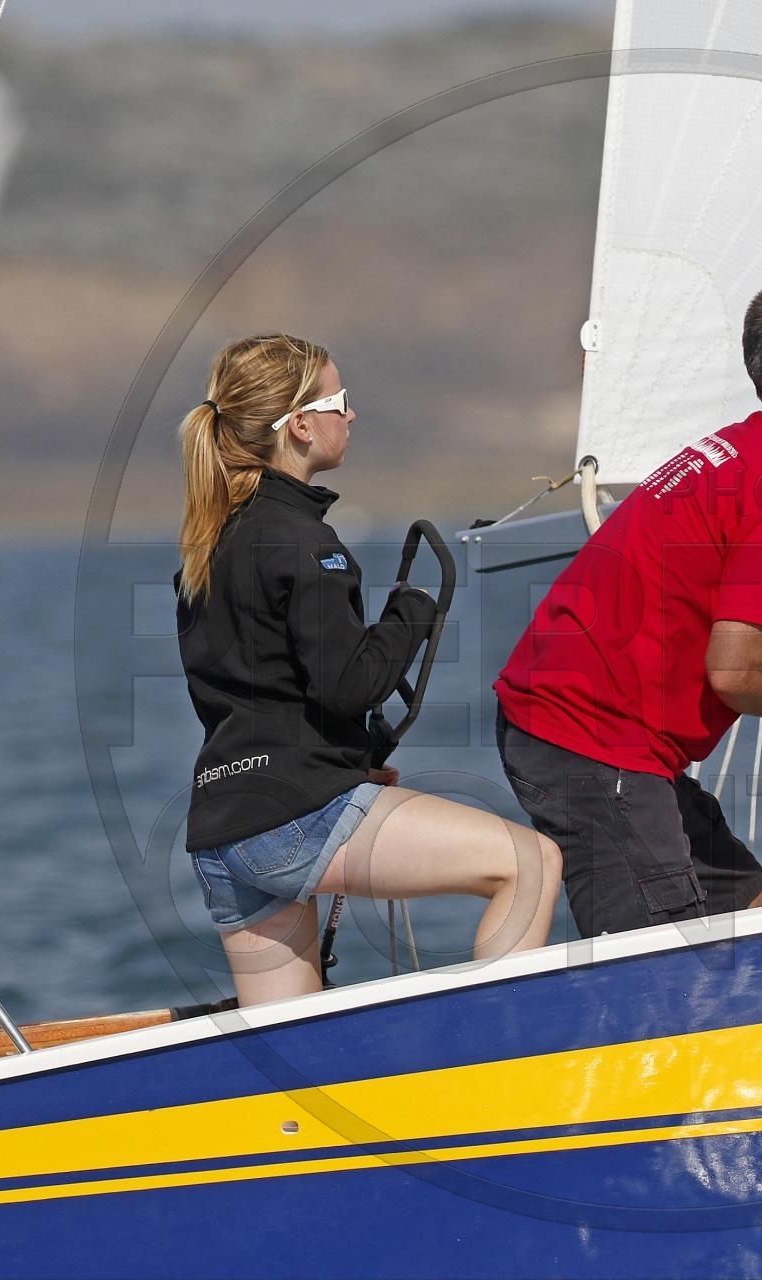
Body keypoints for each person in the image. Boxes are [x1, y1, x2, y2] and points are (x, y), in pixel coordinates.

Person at [495, 273, 762, 937]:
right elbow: (738, 671)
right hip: (589, 737)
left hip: (568, 721)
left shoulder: (750, 448)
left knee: (737, 896)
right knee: (662, 965)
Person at [176, 333, 561, 1005]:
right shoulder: (303, 541)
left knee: (292, 1051)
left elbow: (257, 694)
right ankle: (504, 1050)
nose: (350, 415)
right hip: (297, 817)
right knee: (531, 864)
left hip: (223, 831)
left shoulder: (208, 547)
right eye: (339, 401)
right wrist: (411, 611)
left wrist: (342, 766)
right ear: (300, 425)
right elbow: (351, 684)